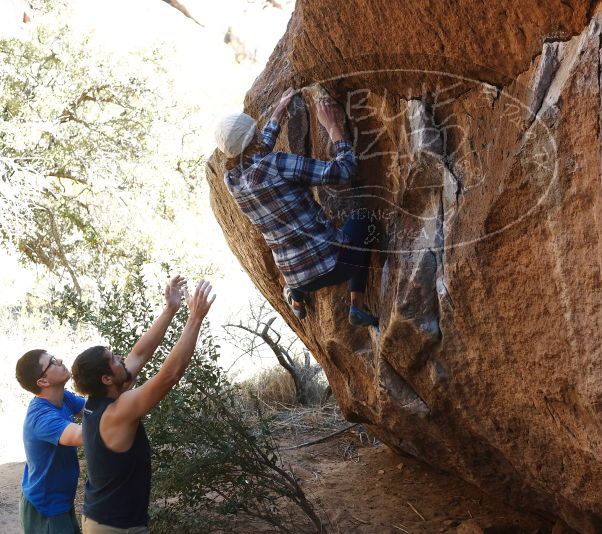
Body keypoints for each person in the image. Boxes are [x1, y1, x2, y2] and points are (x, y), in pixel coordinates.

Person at [215, 87, 379, 327]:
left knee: (292, 249)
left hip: (296, 279)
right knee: (362, 220)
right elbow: (344, 170)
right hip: (335, 267)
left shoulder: (233, 181)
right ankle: (356, 306)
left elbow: (256, 154)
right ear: (254, 135)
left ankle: (297, 303)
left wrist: (279, 112)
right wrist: (332, 126)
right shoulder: (277, 164)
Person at [70, 277, 214, 534]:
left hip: (101, 521)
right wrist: (195, 318)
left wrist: (170, 309)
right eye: (113, 359)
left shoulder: (99, 399)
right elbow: (168, 376)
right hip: (115, 528)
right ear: (106, 378)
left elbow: (139, 354)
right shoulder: (117, 412)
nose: (121, 359)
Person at [15, 349, 84, 534]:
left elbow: (94, 409)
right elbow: (81, 435)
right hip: (45, 507)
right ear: (43, 381)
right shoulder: (41, 417)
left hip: (60, 501)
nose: (60, 360)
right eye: (52, 361)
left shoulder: (63, 397)